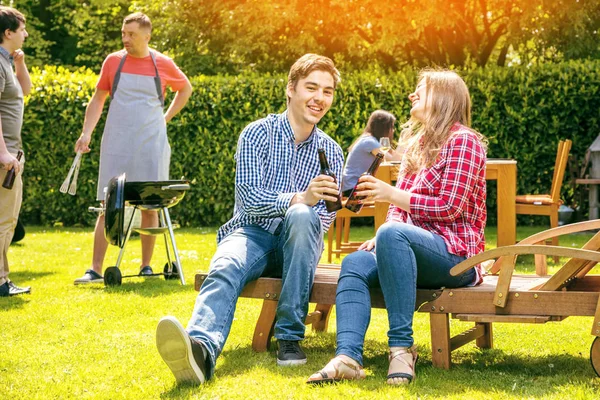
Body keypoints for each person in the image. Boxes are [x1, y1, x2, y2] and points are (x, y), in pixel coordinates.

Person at [155, 53, 344, 385]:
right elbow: (249, 199)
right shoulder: (257, 135)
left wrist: (315, 208)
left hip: (298, 247)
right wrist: (301, 197)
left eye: (327, 91)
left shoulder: (330, 151)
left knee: (302, 218)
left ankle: (289, 338)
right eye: (311, 87)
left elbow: (323, 221)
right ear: (291, 89)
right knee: (226, 266)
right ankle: (199, 349)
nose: (319, 98)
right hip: (250, 234)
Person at [307, 69, 487, 385]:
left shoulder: (464, 141)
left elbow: (450, 207)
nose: (411, 95)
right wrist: (384, 235)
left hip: (457, 259)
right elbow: (396, 215)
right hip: (410, 250)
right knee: (356, 261)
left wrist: (391, 199)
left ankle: (402, 348)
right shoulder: (417, 144)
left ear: (442, 96)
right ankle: (347, 356)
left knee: (392, 233)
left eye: (420, 89)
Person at [72, 12, 192, 285]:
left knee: (150, 204)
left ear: (147, 36)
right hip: (117, 141)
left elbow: (185, 89)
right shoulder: (113, 62)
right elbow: (98, 99)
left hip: (151, 143)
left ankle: (146, 266)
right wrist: (86, 133)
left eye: (132, 35)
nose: (126, 39)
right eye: (124, 34)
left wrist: (164, 119)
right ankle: (95, 269)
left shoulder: (163, 63)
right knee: (107, 204)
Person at [0, 6, 31, 297]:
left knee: (7, 219)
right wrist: (4, 154)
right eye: (21, 29)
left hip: (10, 154)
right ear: (7, 32)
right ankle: (0, 281)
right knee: (4, 220)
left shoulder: (6, 61)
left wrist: (19, 64)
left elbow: (26, 90)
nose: (26, 34)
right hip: (4, 157)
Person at [341, 109, 401, 196]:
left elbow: (393, 157)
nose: (393, 130)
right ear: (382, 127)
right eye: (391, 127)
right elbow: (392, 160)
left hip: (356, 187)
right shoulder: (369, 141)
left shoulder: (371, 140)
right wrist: (404, 137)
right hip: (353, 189)